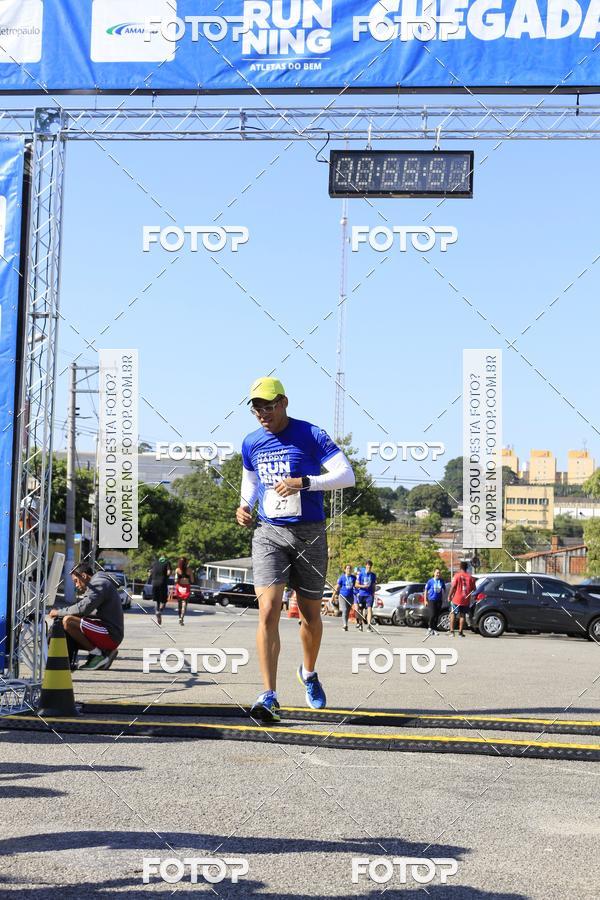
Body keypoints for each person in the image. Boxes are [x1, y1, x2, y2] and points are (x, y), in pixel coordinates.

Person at [236, 376, 355, 723]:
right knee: (268, 609)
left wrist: (305, 483)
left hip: (310, 535)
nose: (262, 414)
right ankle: (269, 694)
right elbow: (251, 482)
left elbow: (346, 475)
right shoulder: (251, 443)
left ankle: (308, 671)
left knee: (310, 615)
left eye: (268, 407)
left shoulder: (311, 434)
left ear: (284, 403)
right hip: (269, 533)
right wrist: (244, 506)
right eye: (256, 408)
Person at [49, 563, 124, 670]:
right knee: (70, 627)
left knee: (68, 621)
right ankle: (104, 651)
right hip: (109, 632)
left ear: (83, 576)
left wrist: (59, 612)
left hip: (111, 634)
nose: (76, 585)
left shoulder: (99, 584)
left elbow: (83, 608)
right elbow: (87, 610)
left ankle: (98, 655)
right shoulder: (98, 583)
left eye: (76, 581)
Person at [448, 560, 477, 637]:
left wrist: (449, 596)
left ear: (460, 567)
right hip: (465, 600)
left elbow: (453, 586)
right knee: (462, 615)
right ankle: (460, 632)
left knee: (453, 614)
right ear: (467, 568)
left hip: (456, 599)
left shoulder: (456, 576)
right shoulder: (470, 577)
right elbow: (474, 589)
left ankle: (452, 631)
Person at [355, 560, 377, 632]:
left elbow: (373, 585)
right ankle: (360, 624)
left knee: (369, 609)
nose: (369, 568)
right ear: (366, 566)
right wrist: (363, 586)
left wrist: (373, 593)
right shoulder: (361, 574)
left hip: (369, 595)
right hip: (362, 594)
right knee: (360, 610)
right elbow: (356, 585)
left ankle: (369, 625)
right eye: (367, 566)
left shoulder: (373, 575)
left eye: (370, 567)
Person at [424, 567, 446, 636]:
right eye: (437, 573)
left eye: (439, 573)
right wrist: (425, 600)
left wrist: (445, 598)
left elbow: (445, 590)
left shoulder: (442, 581)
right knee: (432, 615)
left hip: (439, 600)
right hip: (431, 600)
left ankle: (435, 629)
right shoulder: (430, 581)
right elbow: (426, 591)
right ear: (434, 573)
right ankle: (430, 628)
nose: (438, 574)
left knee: (437, 615)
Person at [334, 564, 357, 631]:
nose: (348, 570)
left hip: (350, 596)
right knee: (344, 610)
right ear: (345, 570)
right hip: (342, 596)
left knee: (347, 611)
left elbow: (356, 586)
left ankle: (346, 623)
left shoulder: (353, 577)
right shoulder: (342, 577)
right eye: (347, 568)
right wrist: (333, 596)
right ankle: (345, 625)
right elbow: (337, 587)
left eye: (350, 568)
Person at [150, 555, 171, 624]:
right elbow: (168, 572)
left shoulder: (154, 563)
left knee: (157, 600)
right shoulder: (167, 563)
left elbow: (149, 572)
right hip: (162, 582)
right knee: (164, 600)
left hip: (154, 583)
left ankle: (157, 611)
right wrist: (167, 576)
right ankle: (160, 611)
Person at [174, 556, 194, 625]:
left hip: (179, 587)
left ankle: (180, 617)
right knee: (184, 603)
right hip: (186, 588)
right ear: (186, 562)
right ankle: (182, 617)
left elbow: (175, 580)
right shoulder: (189, 570)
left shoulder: (177, 570)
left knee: (179, 604)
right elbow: (192, 580)